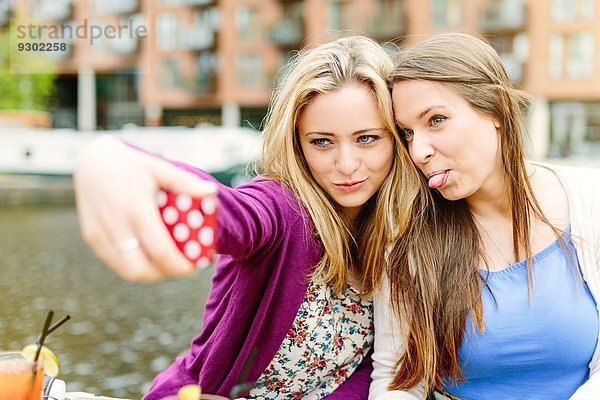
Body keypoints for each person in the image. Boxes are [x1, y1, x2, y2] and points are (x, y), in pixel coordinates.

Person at [74, 36, 422, 399]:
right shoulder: (281, 209)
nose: (347, 165)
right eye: (322, 141)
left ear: (397, 138)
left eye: (366, 139)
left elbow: (370, 366)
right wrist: (110, 160)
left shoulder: (401, 232)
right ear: (297, 143)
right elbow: (228, 210)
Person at [369, 32, 600, 400]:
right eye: (408, 133)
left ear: (493, 107)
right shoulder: (407, 241)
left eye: (437, 120)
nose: (419, 151)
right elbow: (396, 380)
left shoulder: (590, 199)